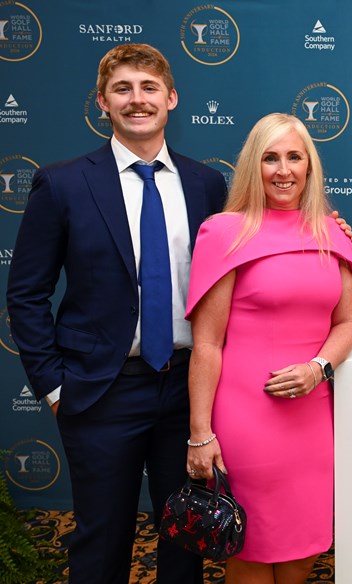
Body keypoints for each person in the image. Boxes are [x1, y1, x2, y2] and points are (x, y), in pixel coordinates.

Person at [5, 43, 227, 584]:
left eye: (149, 88)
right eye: (122, 89)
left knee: (186, 542)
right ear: (102, 102)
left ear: (171, 98)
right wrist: (56, 389)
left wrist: (324, 227)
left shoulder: (205, 184)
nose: (137, 100)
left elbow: (242, 265)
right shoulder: (62, 184)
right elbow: (26, 293)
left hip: (186, 393)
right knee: (101, 545)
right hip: (101, 391)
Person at [184, 113, 352, 584]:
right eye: (270, 158)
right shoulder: (225, 232)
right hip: (245, 421)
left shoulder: (330, 231)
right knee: (250, 552)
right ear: (253, 166)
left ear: (309, 167)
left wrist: (318, 367)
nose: (283, 170)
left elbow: (348, 321)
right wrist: (200, 433)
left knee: (302, 550)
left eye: (293, 157)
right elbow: (206, 343)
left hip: (311, 419)